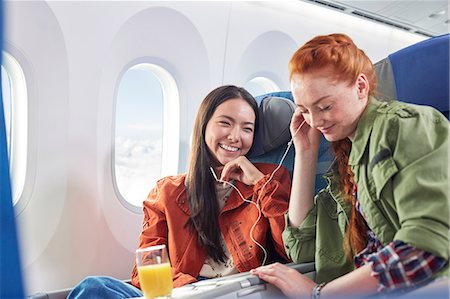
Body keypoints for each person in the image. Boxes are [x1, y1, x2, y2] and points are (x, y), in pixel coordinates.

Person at [251, 33, 449, 298]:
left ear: (361, 87)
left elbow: (426, 247)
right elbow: (302, 248)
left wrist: (320, 294)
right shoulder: (346, 163)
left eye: (324, 106)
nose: (315, 121)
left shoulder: (406, 127)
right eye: (305, 110)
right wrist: (305, 153)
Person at [68, 85, 291, 298]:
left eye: (247, 128)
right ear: (204, 125)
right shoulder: (167, 192)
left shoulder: (270, 179)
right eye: (226, 123)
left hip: (235, 293)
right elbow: (145, 267)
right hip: (182, 291)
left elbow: (288, 249)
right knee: (93, 288)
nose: (235, 136)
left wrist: (260, 183)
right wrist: (192, 291)